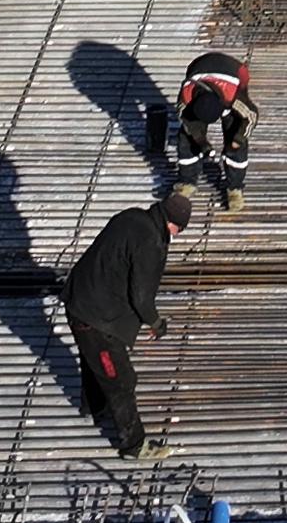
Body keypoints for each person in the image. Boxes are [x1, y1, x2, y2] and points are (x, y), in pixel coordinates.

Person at [65, 190, 193, 459]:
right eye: (179, 230)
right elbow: (142, 296)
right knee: (121, 379)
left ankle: (94, 407)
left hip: (78, 299)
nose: (177, 236)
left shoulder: (132, 216)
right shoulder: (151, 242)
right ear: (174, 224)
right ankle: (134, 445)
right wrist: (155, 323)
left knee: (94, 361)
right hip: (95, 319)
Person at [169, 49, 257, 204]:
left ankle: (235, 188)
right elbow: (188, 123)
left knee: (236, 139)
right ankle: (187, 182)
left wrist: (237, 139)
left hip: (234, 72)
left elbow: (251, 117)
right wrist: (201, 142)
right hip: (199, 66)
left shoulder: (234, 95)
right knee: (186, 138)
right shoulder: (187, 95)